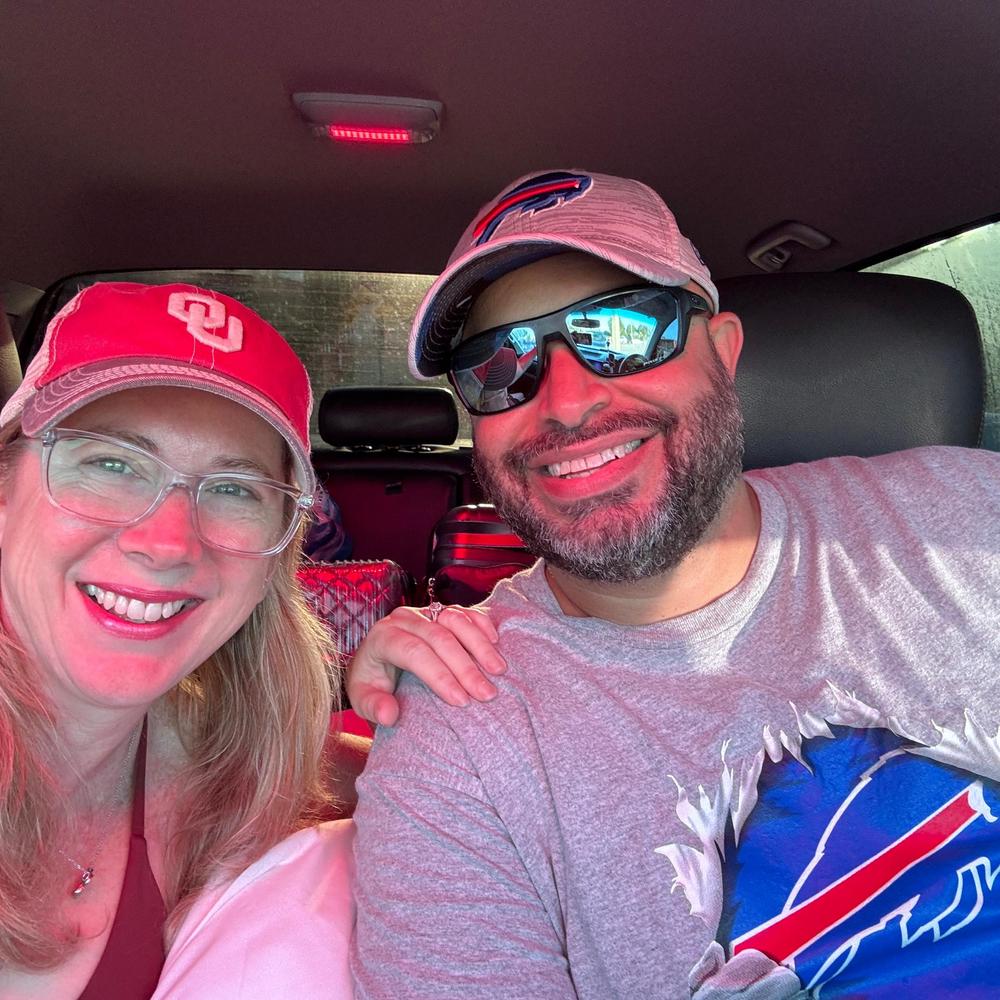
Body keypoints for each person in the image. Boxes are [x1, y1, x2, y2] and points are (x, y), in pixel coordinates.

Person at [348, 170, 1000, 997]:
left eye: (622, 329)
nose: (567, 402)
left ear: (723, 352)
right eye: (499, 365)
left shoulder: (971, 515)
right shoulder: (461, 723)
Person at [0, 281, 355, 999]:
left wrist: (429, 701)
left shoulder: (215, 746)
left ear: (276, 559)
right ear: (5, 488)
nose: (166, 544)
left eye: (234, 489)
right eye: (110, 463)